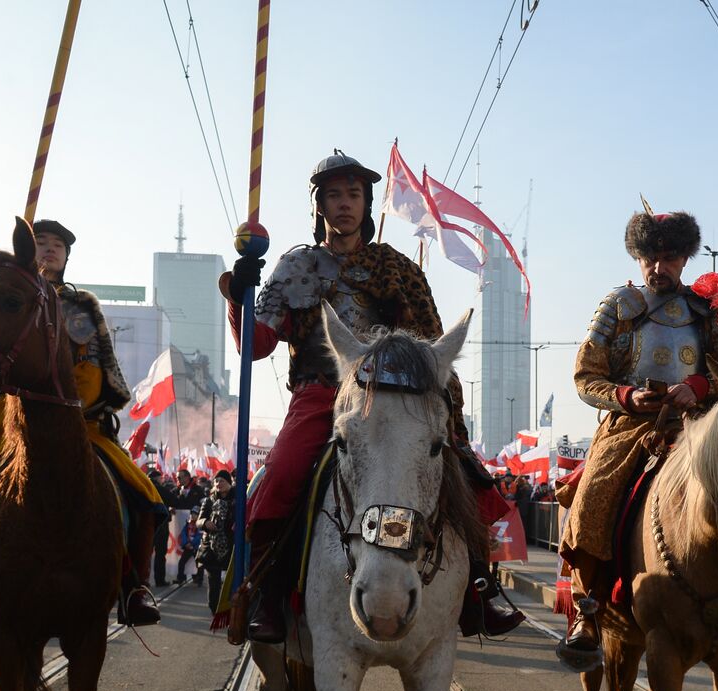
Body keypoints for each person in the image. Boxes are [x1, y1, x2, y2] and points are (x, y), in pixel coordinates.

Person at [219, 150, 522, 643]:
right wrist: (240, 298)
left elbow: (428, 344)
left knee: (464, 474)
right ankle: (266, 594)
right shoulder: (296, 266)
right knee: (279, 478)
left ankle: (478, 589)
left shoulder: (397, 269)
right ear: (319, 205)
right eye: (334, 195)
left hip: (395, 399)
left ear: (366, 202)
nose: (344, 204)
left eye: (354, 195)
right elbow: (256, 346)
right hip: (321, 396)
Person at [0, 219, 167, 635]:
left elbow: (94, 373)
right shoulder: (0, 292)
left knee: (142, 492)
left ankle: (134, 586)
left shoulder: (81, 310)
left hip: (78, 421)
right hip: (1, 417)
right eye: (40, 242)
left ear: (66, 257)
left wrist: (69, 405)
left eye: (57, 245)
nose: (48, 249)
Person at [555, 206, 718, 669]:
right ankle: (588, 607)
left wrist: (698, 386)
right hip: (630, 424)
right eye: (650, 258)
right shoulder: (617, 307)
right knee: (594, 494)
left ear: (685, 260)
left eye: (669, 257)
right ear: (638, 258)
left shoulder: (707, 314)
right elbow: (586, 376)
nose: (658, 267)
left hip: (697, 424)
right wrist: (625, 395)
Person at [196, 470, 235, 614]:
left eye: (222, 481)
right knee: (213, 582)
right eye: (216, 481)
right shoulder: (208, 500)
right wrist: (205, 522)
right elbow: (198, 521)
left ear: (229, 483)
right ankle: (214, 610)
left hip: (231, 547)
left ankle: (230, 611)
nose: (218, 484)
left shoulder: (238, 499)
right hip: (211, 548)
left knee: (231, 582)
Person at [176, 513, 201, 585]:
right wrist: (186, 543)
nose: (193, 515)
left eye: (195, 514)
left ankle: (199, 579)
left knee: (199, 564)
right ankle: (181, 578)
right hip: (188, 548)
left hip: (196, 548)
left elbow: (199, 536)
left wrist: (191, 543)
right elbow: (183, 534)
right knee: (181, 562)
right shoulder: (187, 524)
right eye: (192, 513)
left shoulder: (199, 525)